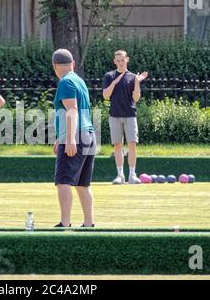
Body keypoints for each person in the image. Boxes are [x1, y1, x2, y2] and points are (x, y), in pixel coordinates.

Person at [52, 49, 96, 228]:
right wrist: (59, 137)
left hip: (76, 136)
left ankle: (65, 222)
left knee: (63, 182)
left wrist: (69, 139)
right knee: (82, 184)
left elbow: (72, 110)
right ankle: (88, 223)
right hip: (89, 134)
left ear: (54, 66)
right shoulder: (79, 81)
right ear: (73, 64)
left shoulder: (65, 82)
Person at [102, 50, 148, 185]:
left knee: (132, 145)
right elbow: (105, 96)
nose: (120, 63)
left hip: (130, 115)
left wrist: (137, 82)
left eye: (123, 60)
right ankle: (120, 175)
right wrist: (115, 82)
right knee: (117, 145)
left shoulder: (133, 77)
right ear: (114, 62)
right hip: (114, 115)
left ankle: (132, 175)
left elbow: (136, 98)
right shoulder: (109, 76)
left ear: (127, 60)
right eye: (118, 60)